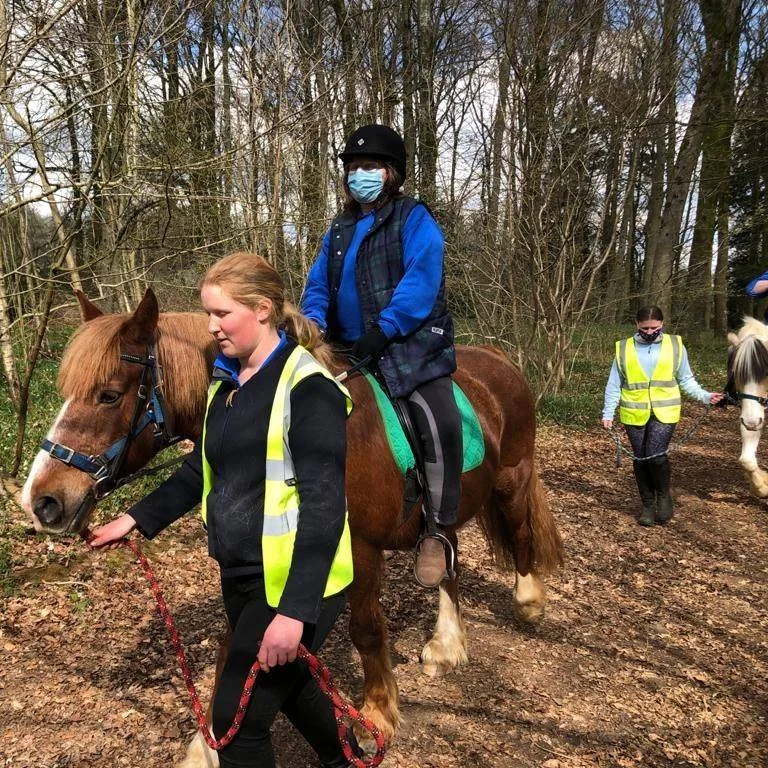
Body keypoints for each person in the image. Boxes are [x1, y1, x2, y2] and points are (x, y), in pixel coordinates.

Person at [89, 252, 358, 768]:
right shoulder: (228, 383)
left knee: (235, 729)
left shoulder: (309, 390)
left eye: (221, 314)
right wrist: (137, 518)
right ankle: (347, 761)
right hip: (242, 575)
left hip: (296, 586)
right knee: (294, 690)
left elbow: (325, 509)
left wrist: (294, 614)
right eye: (208, 314)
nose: (211, 328)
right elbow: (202, 471)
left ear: (261, 310)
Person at [300, 123, 461, 588]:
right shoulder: (339, 229)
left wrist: (384, 328)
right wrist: (314, 325)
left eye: (368, 167)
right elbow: (317, 284)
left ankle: (437, 529)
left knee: (438, 421)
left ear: (391, 173)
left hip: (409, 345)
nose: (358, 175)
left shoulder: (414, 220)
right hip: (346, 347)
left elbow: (420, 281)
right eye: (352, 168)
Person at [601, 306, 724, 526]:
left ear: (662, 323)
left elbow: (686, 379)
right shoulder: (623, 348)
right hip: (633, 411)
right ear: (636, 325)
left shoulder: (676, 345)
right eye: (645, 327)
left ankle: (663, 495)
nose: (649, 332)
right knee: (640, 460)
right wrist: (608, 412)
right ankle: (647, 505)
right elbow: (614, 383)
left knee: (655, 456)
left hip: (665, 411)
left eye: (654, 327)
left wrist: (705, 396)